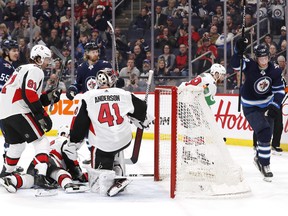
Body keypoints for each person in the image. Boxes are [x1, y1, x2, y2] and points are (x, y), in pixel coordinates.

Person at [68, 68, 150, 196]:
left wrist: (74, 140)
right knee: (115, 140)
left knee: (97, 186)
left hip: (103, 145)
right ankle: (118, 170)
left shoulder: (88, 96)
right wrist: (140, 113)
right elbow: (142, 110)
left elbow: (80, 124)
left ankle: (112, 176)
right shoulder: (123, 93)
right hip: (124, 139)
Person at [0, 44, 62, 190]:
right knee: (41, 141)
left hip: (3, 113)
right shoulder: (36, 70)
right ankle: (41, 176)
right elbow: (28, 94)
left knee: (17, 144)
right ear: (38, 59)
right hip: (18, 110)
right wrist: (41, 115)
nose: (48, 62)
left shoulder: (23, 68)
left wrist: (49, 97)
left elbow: (31, 96)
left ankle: (5, 173)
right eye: (46, 59)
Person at [231, 39, 285, 182]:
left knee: (267, 136)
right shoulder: (249, 65)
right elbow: (235, 65)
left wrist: (275, 106)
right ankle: (265, 164)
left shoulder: (274, 69)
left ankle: (259, 159)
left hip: (267, 105)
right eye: (261, 58)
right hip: (250, 106)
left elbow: (280, 91)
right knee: (264, 131)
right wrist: (238, 49)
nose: (264, 60)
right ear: (256, 58)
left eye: (266, 57)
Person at [0, 125, 89, 194]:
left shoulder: (53, 141)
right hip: (50, 163)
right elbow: (69, 158)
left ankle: (11, 180)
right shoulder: (63, 141)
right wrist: (79, 173)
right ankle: (68, 185)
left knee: (31, 180)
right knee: (60, 173)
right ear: (66, 134)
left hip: (37, 162)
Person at [66, 41, 112, 164]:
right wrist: (72, 89)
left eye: (97, 51)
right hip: (88, 103)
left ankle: (105, 156)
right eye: (93, 52)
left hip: (103, 103)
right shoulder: (82, 68)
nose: (96, 53)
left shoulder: (104, 65)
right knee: (87, 131)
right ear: (86, 53)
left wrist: (117, 81)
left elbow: (112, 81)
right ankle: (93, 154)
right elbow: (79, 84)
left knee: (102, 130)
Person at [0, 39, 20, 168]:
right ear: (6, 52)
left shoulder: (12, 67)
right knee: (10, 136)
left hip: (6, 106)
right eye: (13, 50)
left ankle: (8, 164)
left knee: (10, 136)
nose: (16, 53)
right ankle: (8, 166)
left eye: (17, 50)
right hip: (3, 106)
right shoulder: (1, 64)